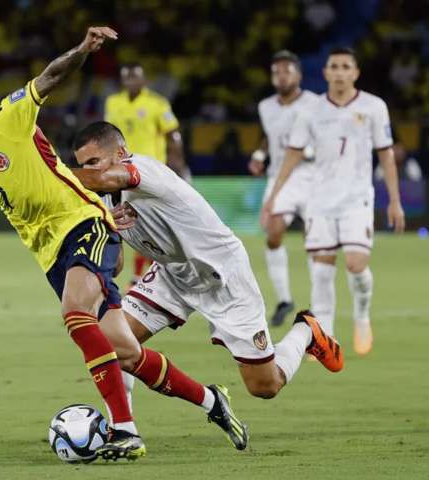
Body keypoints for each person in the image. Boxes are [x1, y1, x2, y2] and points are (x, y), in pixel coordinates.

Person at [0, 26, 234, 461]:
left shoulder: (8, 121)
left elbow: (49, 78)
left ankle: (125, 430)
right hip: (51, 257)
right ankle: (213, 401)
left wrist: (83, 50)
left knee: (75, 314)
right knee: (127, 352)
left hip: (84, 227)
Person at [71, 121, 343, 439]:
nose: (88, 171)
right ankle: (123, 430)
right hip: (172, 274)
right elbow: (115, 265)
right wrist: (107, 228)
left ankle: (305, 331)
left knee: (265, 386)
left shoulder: (143, 170)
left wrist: (54, 176)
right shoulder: (103, 199)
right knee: (114, 342)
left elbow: (101, 178)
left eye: (93, 162)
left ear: (120, 153)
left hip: (224, 276)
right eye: (82, 165)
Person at [262, 47, 405, 355]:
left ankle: (362, 314)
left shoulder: (373, 107)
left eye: (345, 67)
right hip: (320, 200)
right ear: (325, 73)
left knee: (356, 265)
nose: (339, 72)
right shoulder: (310, 112)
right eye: (334, 66)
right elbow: (293, 154)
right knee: (322, 269)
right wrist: (273, 196)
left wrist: (395, 200)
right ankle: (325, 340)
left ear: (355, 72)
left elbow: (386, 154)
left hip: (357, 200)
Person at [249, 50, 319, 326]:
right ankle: (284, 299)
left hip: (312, 176)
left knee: (316, 241)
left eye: (287, 71)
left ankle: (319, 305)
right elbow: (270, 134)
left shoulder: (315, 103)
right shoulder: (266, 106)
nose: (281, 76)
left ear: (298, 75)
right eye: (276, 71)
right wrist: (259, 155)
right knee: (274, 232)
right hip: (280, 176)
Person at [104, 63, 188, 287]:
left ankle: (142, 275)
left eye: (135, 77)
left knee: (145, 222)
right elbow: (107, 136)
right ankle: (144, 274)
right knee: (128, 222)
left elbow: (173, 135)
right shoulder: (113, 102)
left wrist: (177, 164)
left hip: (149, 173)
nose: (131, 81)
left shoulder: (157, 104)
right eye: (127, 78)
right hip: (120, 173)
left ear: (143, 80)